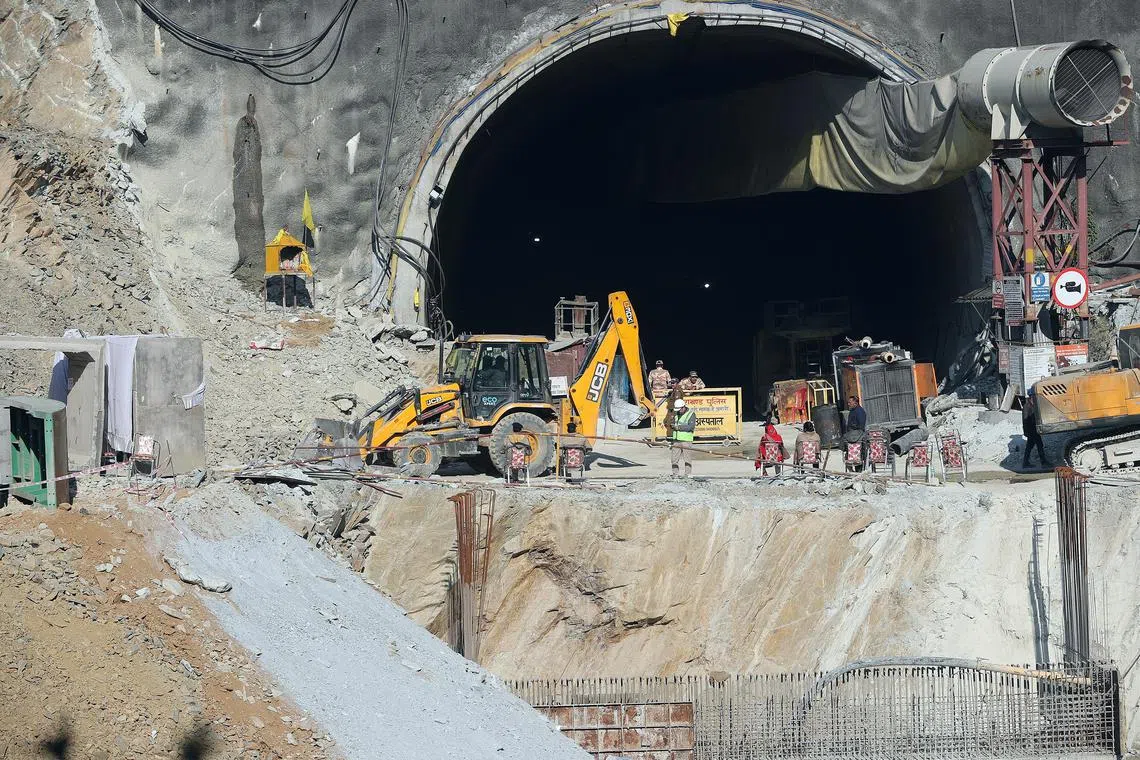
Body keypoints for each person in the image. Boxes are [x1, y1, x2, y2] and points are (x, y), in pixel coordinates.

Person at [1022, 387, 1050, 469]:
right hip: (1031, 430)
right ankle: (1043, 463)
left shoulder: (1032, 405)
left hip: (1033, 429)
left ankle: (1025, 462)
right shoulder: (1027, 406)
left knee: (1029, 446)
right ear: (1031, 397)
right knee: (1039, 444)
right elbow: (1026, 420)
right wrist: (1027, 431)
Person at [667, 398, 696, 477]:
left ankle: (688, 474)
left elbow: (690, 427)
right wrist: (671, 424)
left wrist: (678, 427)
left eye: (679, 409)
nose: (678, 411)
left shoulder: (691, 414)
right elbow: (671, 423)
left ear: (683, 407)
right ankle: (675, 474)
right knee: (674, 459)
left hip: (686, 440)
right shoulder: (676, 414)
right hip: (676, 440)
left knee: (687, 459)